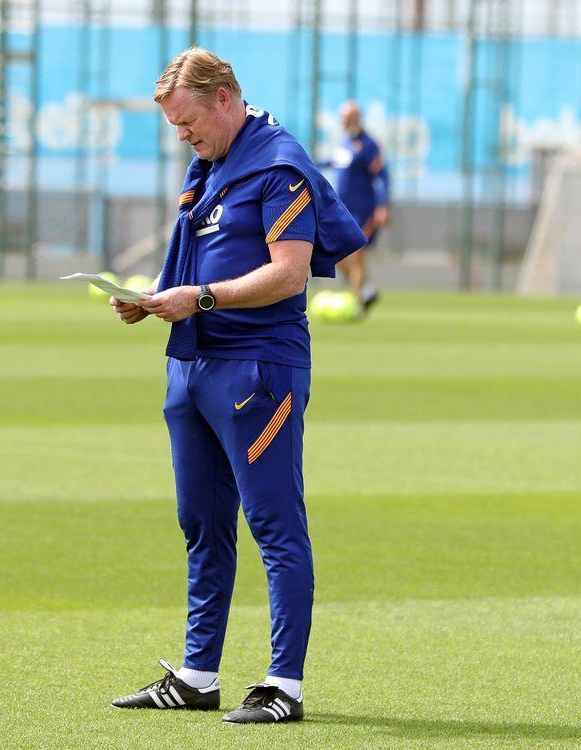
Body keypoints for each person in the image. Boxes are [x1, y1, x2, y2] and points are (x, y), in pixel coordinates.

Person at [108, 48, 367, 724]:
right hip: (194, 364)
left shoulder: (279, 166)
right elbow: (205, 263)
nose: (182, 136)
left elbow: (289, 273)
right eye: (174, 127)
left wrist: (203, 300)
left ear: (224, 97)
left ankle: (284, 685)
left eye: (188, 121)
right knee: (201, 523)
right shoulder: (214, 162)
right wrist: (157, 299)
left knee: (275, 525)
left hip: (259, 371)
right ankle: (197, 674)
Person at [329, 100, 389, 312]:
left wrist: (382, 206)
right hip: (343, 209)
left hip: (363, 210)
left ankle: (357, 303)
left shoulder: (369, 145)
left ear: (356, 117)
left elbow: (382, 177)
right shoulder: (343, 144)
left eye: (346, 116)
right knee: (336, 254)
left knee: (356, 253)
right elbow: (329, 162)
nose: (343, 120)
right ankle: (367, 290)